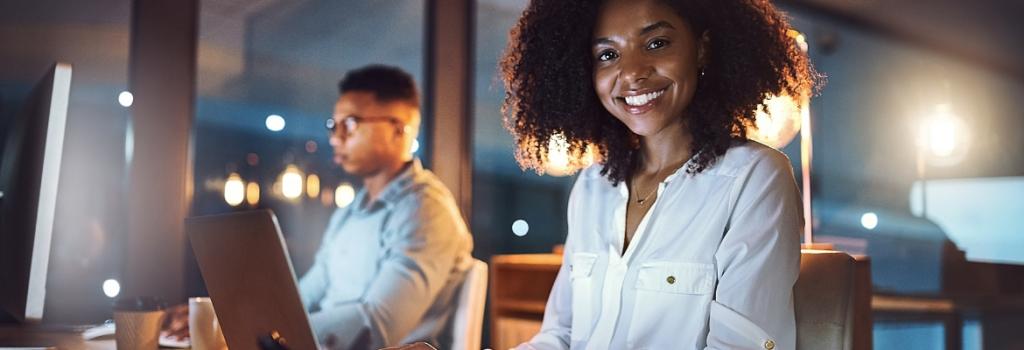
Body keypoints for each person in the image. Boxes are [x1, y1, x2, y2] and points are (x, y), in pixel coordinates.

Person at [500, 0, 817, 349]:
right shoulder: (592, 187)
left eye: (656, 43)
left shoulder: (754, 179)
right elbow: (560, 337)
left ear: (702, 49)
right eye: (607, 54)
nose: (632, 72)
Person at [166, 65, 474, 350]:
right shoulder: (351, 210)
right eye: (334, 124)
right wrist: (224, 314)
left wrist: (270, 332)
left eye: (351, 124)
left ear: (400, 129)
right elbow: (305, 295)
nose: (336, 138)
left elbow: (379, 324)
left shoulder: (426, 209)